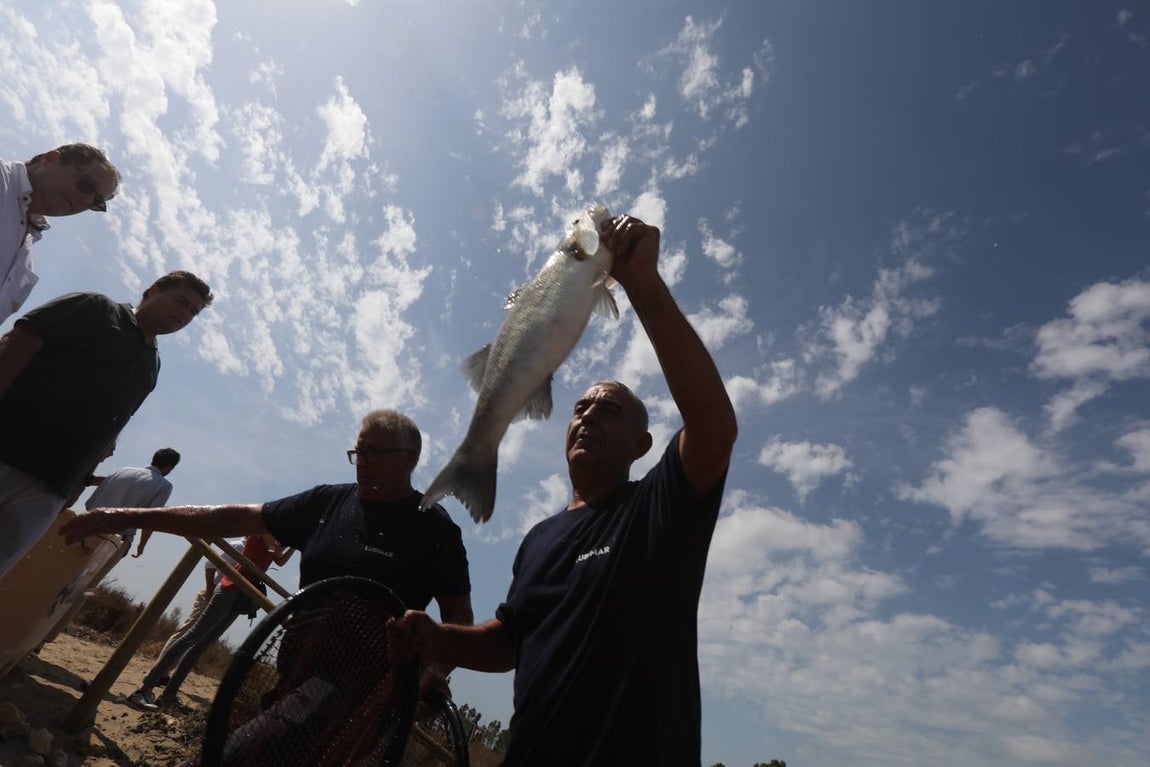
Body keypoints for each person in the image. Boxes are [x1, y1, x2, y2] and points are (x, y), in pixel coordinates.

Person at [388, 214, 738, 766]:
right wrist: (441, 639)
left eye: (611, 408)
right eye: (581, 406)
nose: (589, 414)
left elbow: (714, 430)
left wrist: (642, 283)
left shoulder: (659, 510)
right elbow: (512, 641)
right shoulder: (540, 539)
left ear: (642, 445)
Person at [61, 409, 474, 699]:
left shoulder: (435, 528)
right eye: (358, 453)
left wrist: (436, 673)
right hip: (294, 669)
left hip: (367, 691)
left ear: (411, 459)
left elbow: (459, 619)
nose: (362, 464)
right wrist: (121, 515)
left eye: (375, 455)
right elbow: (233, 516)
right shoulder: (327, 502)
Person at [0, 270, 213, 578]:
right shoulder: (96, 308)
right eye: (180, 301)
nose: (184, 314)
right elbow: (16, 343)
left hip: (51, 488)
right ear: (153, 291)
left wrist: (75, 485)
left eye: (193, 312)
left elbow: (113, 425)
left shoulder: (152, 365)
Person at [128, 533, 294, 711]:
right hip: (231, 586)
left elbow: (280, 560)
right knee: (192, 636)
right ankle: (144, 689)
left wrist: (293, 545)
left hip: (246, 592)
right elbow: (273, 549)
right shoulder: (266, 528)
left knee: (202, 645)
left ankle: (169, 695)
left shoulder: (279, 538)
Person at [1, 143, 120, 323]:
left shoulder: (26, 264)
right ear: (50, 159)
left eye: (96, 202)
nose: (85, 200)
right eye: (87, 185)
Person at [84, 447, 181, 558]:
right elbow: (152, 518)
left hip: (86, 527)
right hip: (116, 539)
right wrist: (141, 546)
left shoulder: (123, 470)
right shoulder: (164, 486)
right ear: (170, 467)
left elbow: (90, 503)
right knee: (93, 573)